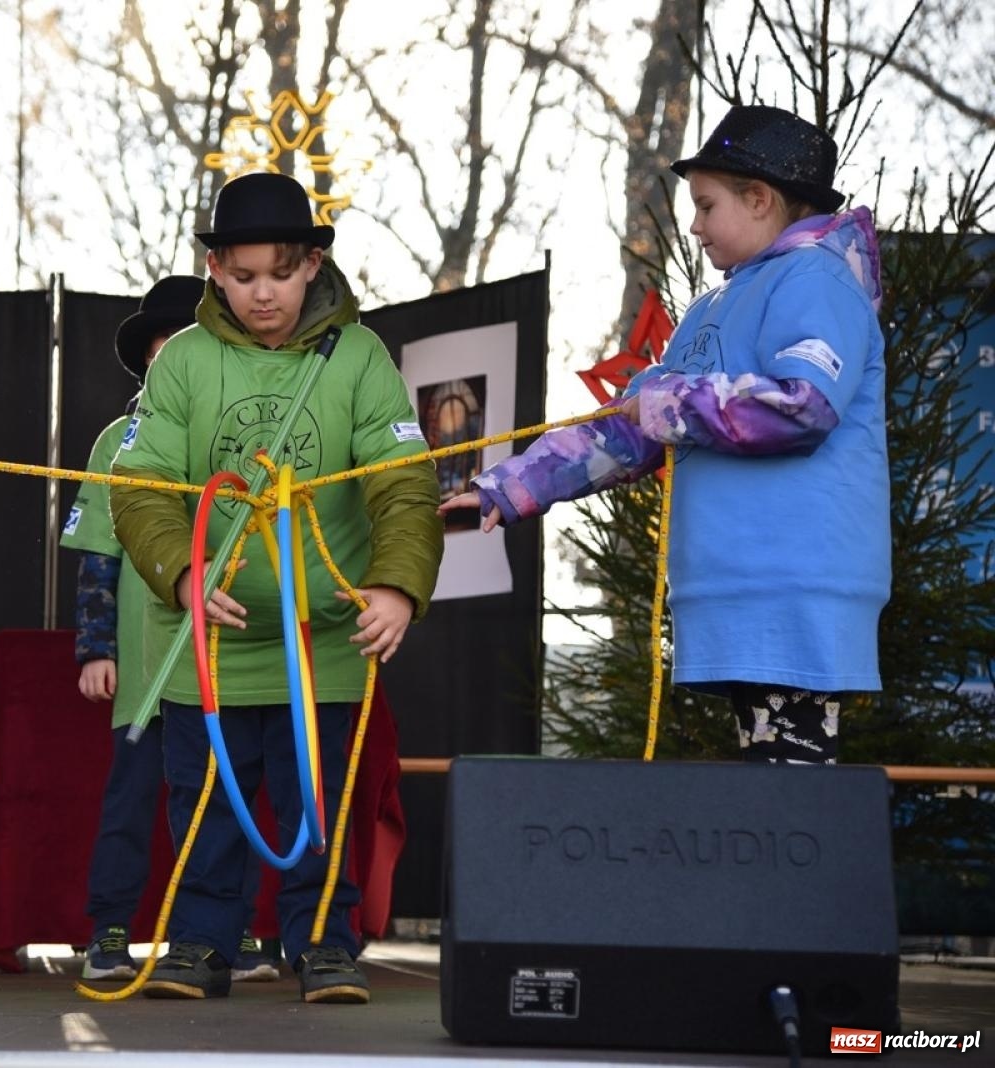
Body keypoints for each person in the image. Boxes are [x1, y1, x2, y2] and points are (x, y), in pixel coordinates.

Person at [446, 104, 887, 766]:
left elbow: (805, 405)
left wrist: (674, 400)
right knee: (764, 800)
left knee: (792, 798)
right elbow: (628, 432)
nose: (695, 224)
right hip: (730, 586)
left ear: (761, 199)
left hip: (793, 583)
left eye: (707, 206)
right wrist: (508, 488)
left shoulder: (816, 280)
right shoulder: (711, 309)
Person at [110, 172, 442, 1003]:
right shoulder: (182, 360)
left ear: (314, 264)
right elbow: (140, 482)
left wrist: (397, 586)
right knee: (203, 811)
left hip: (323, 642)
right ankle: (197, 946)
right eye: (244, 274)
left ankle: (323, 946)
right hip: (209, 648)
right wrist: (183, 575)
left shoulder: (359, 356)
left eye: (281, 274)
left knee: (317, 807)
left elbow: (404, 483)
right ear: (214, 269)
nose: (264, 293)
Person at [61, 275, 282, 983]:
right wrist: (97, 646)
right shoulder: (115, 443)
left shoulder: (249, 428)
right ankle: (109, 931)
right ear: (150, 360)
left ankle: (229, 934)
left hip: (225, 657)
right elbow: (98, 548)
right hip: (149, 654)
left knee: (226, 798)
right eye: (168, 350)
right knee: (131, 799)